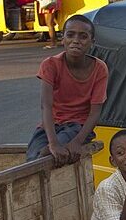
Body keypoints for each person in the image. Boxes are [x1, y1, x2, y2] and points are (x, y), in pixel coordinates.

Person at [25, 15, 107, 164]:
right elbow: (46, 106)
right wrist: (53, 143)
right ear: (62, 38)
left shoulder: (99, 69)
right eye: (70, 35)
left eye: (83, 37)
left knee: (46, 156)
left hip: (77, 127)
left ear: (92, 43)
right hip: (50, 126)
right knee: (32, 159)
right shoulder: (50, 65)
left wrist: (77, 142)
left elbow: (95, 113)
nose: (76, 40)